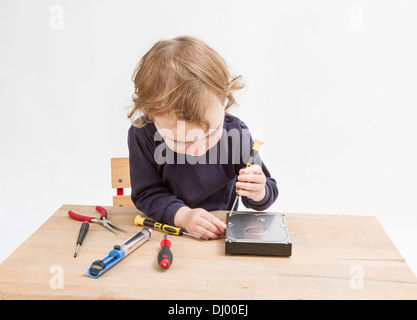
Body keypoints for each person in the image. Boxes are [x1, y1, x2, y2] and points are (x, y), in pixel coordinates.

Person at [127, 36, 278, 239]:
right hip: (169, 234)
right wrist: (183, 216)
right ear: (152, 117)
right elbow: (147, 194)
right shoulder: (142, 135)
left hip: (220, 235)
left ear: (224, 101)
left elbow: (266, 191)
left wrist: (257, 192)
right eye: (182, 141)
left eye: (211, 133)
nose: (198, 150)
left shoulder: (235, 134)